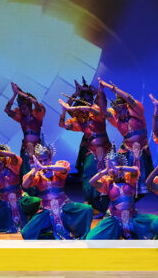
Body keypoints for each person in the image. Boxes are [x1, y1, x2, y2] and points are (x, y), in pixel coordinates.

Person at [58, 86, 112, 216]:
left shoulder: (97, 114)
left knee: (106, 176)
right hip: (91, 151)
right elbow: (63, 125)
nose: (80, 113)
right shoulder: (81, 122)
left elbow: (93, 108)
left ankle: (105, 207)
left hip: (105, 151)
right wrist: (64, 111)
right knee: (88, 174)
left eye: (89, 100)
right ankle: (91, 204)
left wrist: (72, 108)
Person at [21, 143, 93, 239]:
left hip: (63, 205)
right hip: (47, 209)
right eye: (40, 161)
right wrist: (35, 171)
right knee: (26, 233)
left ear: (50, 158)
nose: (43, 163)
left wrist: (45, 167)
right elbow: (25, 185)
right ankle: (51, 234)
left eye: (45, 160)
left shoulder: (57, 168)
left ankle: (80, 234)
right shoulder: (36, 174)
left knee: (87, 209)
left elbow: (64, 169)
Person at [98, 78, 153, 197]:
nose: (119, 113)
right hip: (126, 150)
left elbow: (130, 99)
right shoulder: (117, 119)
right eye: (117, 111)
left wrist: (111, 88)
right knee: (123, 180)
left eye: (121, 110)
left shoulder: (137, 113)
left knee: (141, 183)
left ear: (127, 107)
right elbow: (103, 111)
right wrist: (101, 91)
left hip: (141, 150)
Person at [0, 135, 41, 233]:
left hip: (20, 200)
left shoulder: (13, 167)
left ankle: (28, 218)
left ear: (5, 161)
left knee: (36, 202)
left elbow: (12, 155)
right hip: (4, 204)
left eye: (0, 163)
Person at [85, 154, 156, 239]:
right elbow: (92, 181)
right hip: (115, 219)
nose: (112, 170)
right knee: (92, 238)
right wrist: (105, 170)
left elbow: (135, 170)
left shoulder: (129, 180)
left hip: (132, 217)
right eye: (110, 168)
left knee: (156, 224)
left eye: (114, 167)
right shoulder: (108, 183)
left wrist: (118, 167)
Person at [4, 82, 46, 192]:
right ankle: (28, 193)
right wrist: (14, 95)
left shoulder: (37, 114)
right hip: (26, 148)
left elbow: (35, 102)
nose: (23, 110)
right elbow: (7, 110)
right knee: (26, 171)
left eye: (25, 108)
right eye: (21, 108)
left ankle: (39, 191)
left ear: (29, 106)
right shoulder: (21, 118)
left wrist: (20, 93)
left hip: (37, 148)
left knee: (37, 169)